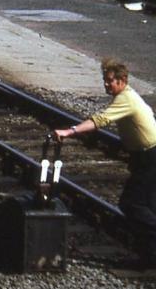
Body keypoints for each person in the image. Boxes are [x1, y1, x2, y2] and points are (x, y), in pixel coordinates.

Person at [54, 58, 156, 269]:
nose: (106, 85)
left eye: (110, 81)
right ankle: (149, 258)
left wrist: (70, 131)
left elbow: (100, 120)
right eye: (105, 80)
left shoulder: (126, 99)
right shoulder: (126, 97)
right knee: (148, 206)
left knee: (132, 204)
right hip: (144, 156)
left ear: (122, 80)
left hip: (151, 156)